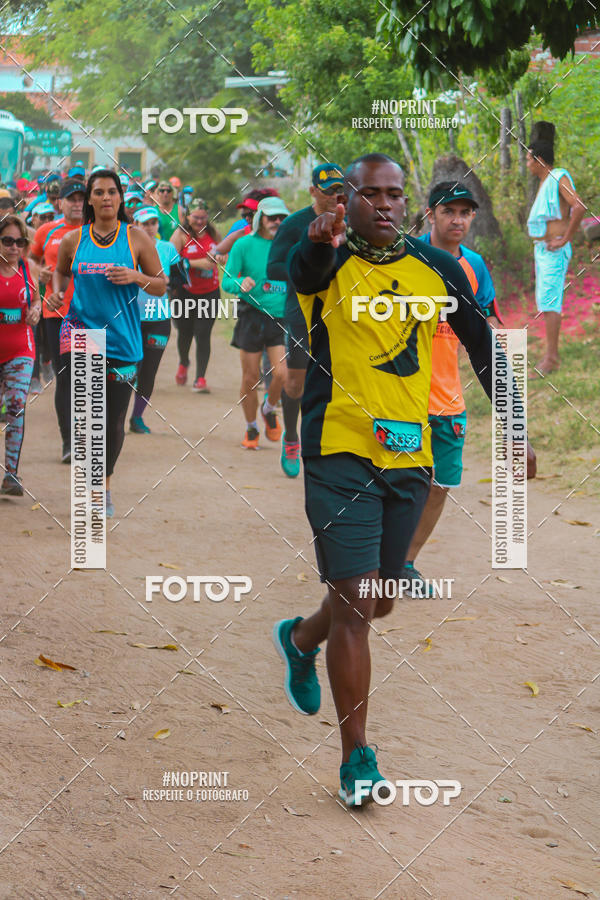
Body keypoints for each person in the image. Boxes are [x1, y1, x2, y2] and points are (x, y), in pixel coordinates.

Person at [272, 153, 536, 807]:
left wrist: (516, 424)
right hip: (337, 451)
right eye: (370, 194)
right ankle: (357, 759)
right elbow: (302, 275)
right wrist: (315, 241)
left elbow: (481, 340)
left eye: (395, 194)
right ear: (346, 201)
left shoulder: (435, 268)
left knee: (381, 596)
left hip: (408, 457)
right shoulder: (323, 256)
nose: (384, 205)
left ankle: (301, 637)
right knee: (359, 604)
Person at [398, 181, 502, 593]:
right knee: (400, 482)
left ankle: (405, 563)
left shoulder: (474, 266)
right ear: (430, 214)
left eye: (465, 212)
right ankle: (379, 559)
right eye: (448, 211)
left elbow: (488, 323)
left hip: (447, 394)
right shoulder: (407, 257)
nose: (457, 220)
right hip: (401, 394)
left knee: (441, 484)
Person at [46, 169, 166, 517]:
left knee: (113, 421)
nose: (106, 198)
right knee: (87, 417)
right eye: (98, 192)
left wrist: (135, 276)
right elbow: (61, 270)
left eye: (112, 191)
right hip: (82, 335)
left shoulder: (136, 238)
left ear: (120, 198)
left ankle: (104, 484)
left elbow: (160, 285)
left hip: (124, 341)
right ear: (90, 199)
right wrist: (56, 293)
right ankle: (90, 489)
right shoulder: (74, 239)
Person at [267, 163, 346, 477]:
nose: (333, 198)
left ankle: (328, 446)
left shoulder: (351, 223)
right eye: (327, 192)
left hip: (341, 313)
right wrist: (307, 267)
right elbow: (273, 268)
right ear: (313, 191)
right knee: (296, 382)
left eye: (339, 192)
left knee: (335, 383)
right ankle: (291, 436)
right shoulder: (295, 224)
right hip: (301, 312)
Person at [222, 195, 290, 449]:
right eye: (272, 217)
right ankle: (251, 428)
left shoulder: (288, 246)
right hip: (251, 315)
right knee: (251, 377)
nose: (277, 222)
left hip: (279, 318)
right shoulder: (243, 245)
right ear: (260, 219)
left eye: (282, 218)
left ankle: (269, 409)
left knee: (281, 374)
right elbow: (226, 282)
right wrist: (240, 283)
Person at [30, 178, 85, 462]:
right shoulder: (46, 231)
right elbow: (30, 258)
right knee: (66, 378)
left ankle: (89, 438)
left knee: (87, 378)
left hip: (92, 314)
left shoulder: (97, 231)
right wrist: (38, 273)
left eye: (81, 198)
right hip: (58, 313)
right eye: (71, 198)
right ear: (59, 203)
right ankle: (69, 443)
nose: (77, 203)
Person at [526, 141, 585, 374]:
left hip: (555, 250)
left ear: (540, 161)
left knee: (551, 302)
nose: (527, 164)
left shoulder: (558, 177)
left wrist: (565, 239)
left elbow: (578, 206)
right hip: (543, 250)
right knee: (546, 302)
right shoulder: (544, 183)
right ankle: (550, 354)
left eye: (530, 160)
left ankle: (551, 359)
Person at [129, 205, 180, 433]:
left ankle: (137, 417)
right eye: (145, 223)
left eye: (153, 223)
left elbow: (181, 281)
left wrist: (169, 282)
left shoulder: (168, 249)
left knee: (148, 372)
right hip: (130, 318)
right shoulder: (125, 247)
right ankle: (116, 415)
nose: (150, 227)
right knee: (129, 370)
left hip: (158, 318)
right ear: (136, 226)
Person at [0, 215, 42, 495]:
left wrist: (36, 311)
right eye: (7, 241)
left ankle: (11, 475)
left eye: (19, 241)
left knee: (16, 404)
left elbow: (37, 300)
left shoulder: (29, 270)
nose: (14, 247)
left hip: (21, 349)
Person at [170, 198, 224, 392]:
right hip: (185, 293)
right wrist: (195, 263)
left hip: (209, 292)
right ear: (188, 216)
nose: (200, 221)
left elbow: (224, 252)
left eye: (203, 217)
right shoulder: (180, 234)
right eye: (195, 217)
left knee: (203, 334)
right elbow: (169, 261)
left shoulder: (213, 233)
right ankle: (184, 362)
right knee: (184, 332)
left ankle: (200, 378)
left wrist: (221, 257)